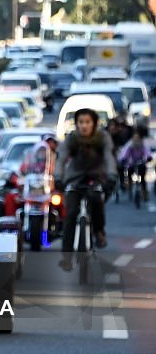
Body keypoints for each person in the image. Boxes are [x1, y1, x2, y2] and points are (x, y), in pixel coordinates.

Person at [55, 108, 117, 263]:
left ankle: (99, 231)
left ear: (94, 123)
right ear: (76, 124)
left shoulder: (103, 138)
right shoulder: (71, 139)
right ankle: (66, 256)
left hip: (98, 177)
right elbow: (61, 159)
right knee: (70, 214)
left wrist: (111, 176)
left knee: (97, 199)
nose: (84, 126)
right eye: (80, 122)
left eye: (87, 122)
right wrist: (58, 178)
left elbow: (109, 158)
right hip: (75, 179)